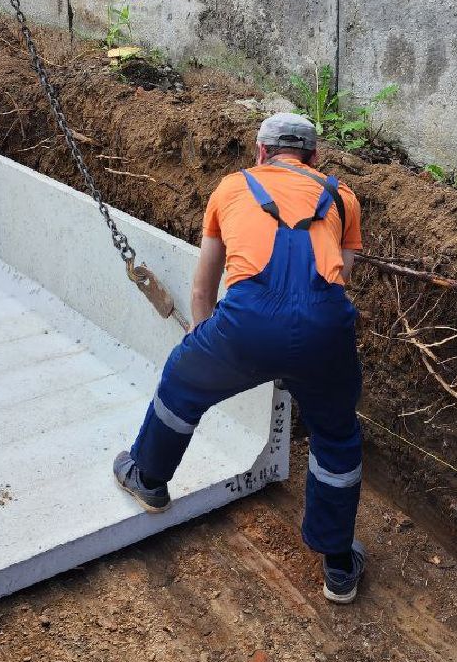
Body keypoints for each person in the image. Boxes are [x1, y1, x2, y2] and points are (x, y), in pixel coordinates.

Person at [113, 112, 368, 603]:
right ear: (314, 158)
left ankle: (148, 478)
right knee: (336, 436)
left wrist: (203, 343)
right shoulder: (342, 198)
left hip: (246, 325)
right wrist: (298, 355)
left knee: (181, 383)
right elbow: (342, 276)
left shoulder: (231, 187)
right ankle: (338, 566)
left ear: (260, 152)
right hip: (324, 329)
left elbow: (203, 288)